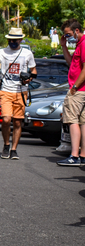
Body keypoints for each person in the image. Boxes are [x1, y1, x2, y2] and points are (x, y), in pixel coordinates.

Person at [0, 27, 37, 160]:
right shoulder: (3, 52)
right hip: (6, 90)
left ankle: (14, 149)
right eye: (10, 39)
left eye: (15, 40)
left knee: (17, 122)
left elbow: (34, 71)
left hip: (21, 91)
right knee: (6, 119)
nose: (12, 42)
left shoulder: (27, 53)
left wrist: (29, 78)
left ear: (21, 40)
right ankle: (6, 144)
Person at [57, 19, 85, 166]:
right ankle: (82, 155)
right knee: (82, 122)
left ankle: (74, 155)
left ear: (77, 31)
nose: (67, 37)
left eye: (68, 34)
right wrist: (64, 46)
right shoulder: (80, 44)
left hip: (79, 90)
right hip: (80, 89)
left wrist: (75, 86)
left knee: (72, 120)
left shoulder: (84, 43)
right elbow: (71, 63)